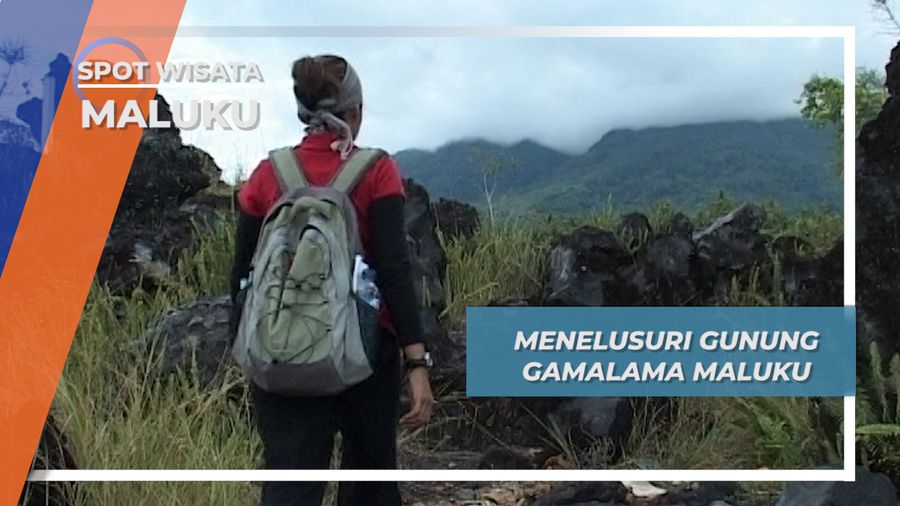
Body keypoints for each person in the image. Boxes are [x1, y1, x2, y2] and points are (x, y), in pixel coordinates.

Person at [230, 54, 434, 506]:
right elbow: (395, 270)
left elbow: (242, 276)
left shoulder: (268, 174)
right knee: (370, 486)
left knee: (290, 488)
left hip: (283, 354)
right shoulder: (377, 171)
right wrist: (417, 364)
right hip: (365, 356)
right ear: (354, 111)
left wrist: (248, 351)